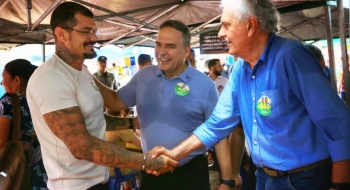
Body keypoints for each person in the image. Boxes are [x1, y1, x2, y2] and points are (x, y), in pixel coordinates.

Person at [150, 0, 350, 189]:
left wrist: (339, 184)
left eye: (226, 25)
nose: (220, 33)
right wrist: (174, 153)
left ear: (251, 25)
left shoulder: (290, 56)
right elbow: (217, 123)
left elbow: (337, 123)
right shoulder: (239, 69)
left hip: (303, 179)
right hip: (263, 176)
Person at [26, 2, 177, 190]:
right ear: (61, 33)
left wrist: (131, 123)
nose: (93, 38)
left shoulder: (82, 71)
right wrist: (147, 162)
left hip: (98, 180)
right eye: (86, 31)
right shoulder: (51, 78)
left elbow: (98, 114)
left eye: (94, 31)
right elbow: (81, 146)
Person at [95, 20, 235, 190]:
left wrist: (226, 180)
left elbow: (218, 132)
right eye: (158, 45)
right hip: (152, 171)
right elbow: (115, 102)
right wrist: (87, 77)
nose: (161, 52)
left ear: (186, 51)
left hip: (190, 174)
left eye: (169, 46)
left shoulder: (204, 85)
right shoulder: (144, 77)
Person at [0, 59, 48, 189]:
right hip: (49, 165)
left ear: (17, 80)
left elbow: (1, 140)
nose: (1, 83)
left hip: (21, 166)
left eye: (4, 78)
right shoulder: (44, 96)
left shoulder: (8, 101)